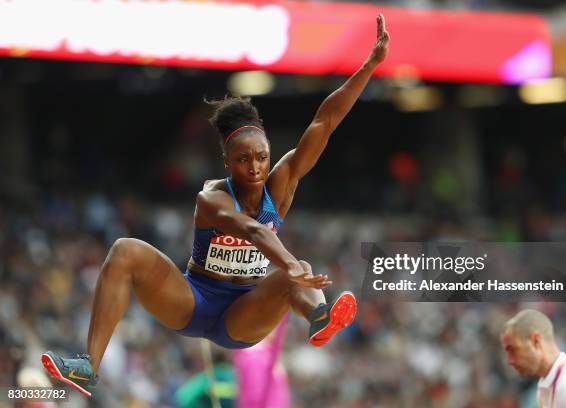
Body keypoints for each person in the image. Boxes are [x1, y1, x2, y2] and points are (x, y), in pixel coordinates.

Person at [40, 13, 390, 398]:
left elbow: (324, 123)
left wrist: (369, 67)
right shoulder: (211, 197)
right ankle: (88, 365)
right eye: (243, 160)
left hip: (244, 314)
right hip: (193, 301)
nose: (254, 167)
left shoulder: (282, 183)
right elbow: (252, 230)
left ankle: (319, 317)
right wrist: (287, 262)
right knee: (125, 250)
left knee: (300, 272)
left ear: (269, 154)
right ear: (227, 161)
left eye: (261, 156)